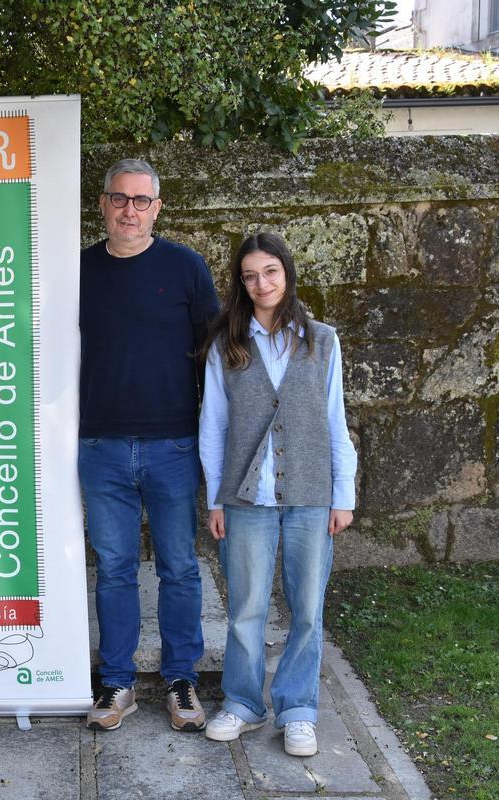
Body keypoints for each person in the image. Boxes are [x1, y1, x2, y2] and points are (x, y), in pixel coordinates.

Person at [198, 232, 357, 757]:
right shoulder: (228, 344)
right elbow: (213, 425)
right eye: (250, 275)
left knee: (307, 606)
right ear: (240, 283)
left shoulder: (322, 340)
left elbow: (336, 422)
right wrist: (217, 499)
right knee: (245, 606)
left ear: (286, 273)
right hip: (246, 498)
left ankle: (298, 709)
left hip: (311, 493)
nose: (261, 283)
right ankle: (243, 703)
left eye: (269, 271)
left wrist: (343, 494)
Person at [80, 158, 220, 732]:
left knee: (179, 567)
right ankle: (117, 683)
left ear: (157, 208)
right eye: (120, 199)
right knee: (112, 568)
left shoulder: (186, 268)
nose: (130, 210)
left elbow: (215, 357)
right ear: (103, 205)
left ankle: (181, 679)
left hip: (173, 445)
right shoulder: (77, 270)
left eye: (141, 200)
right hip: (101, 445)